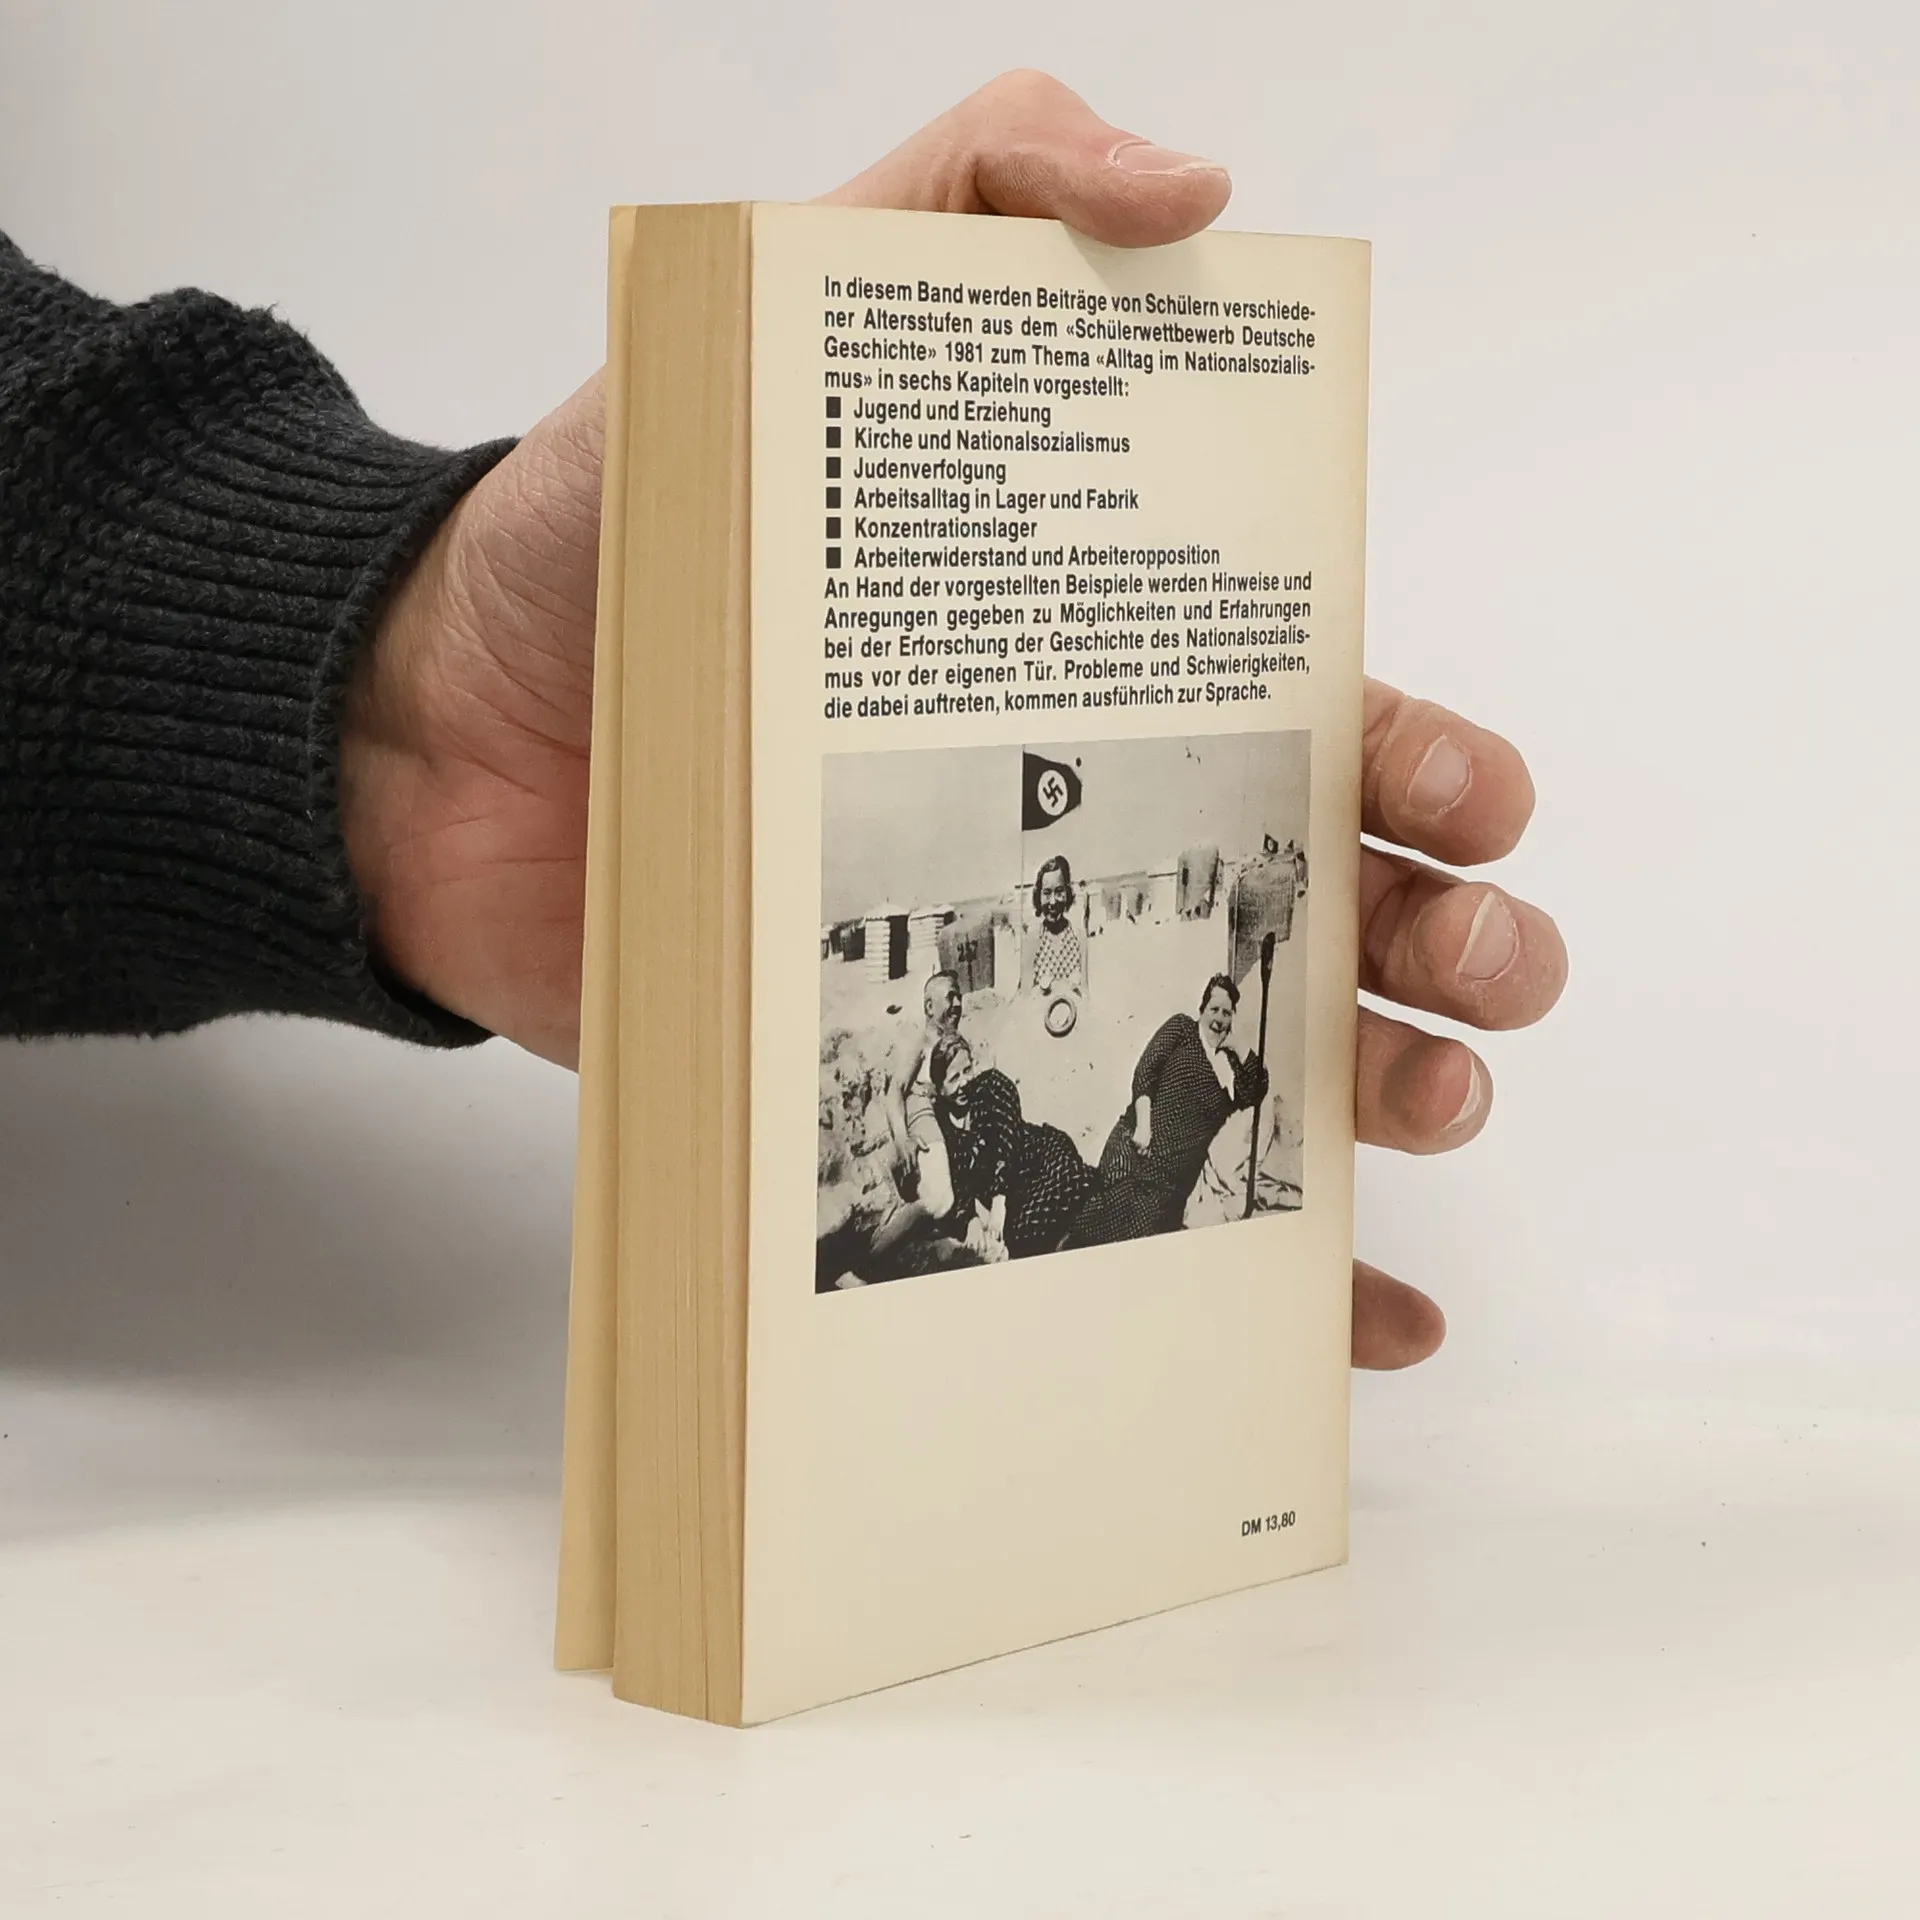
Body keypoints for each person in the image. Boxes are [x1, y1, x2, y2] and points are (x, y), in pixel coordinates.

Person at [0, 70, 1567, 1369]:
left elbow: (1196, 1114)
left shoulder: (1171, 1060)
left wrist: (409, 698)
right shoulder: (1073, 1057)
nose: (1223, 1012)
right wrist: (404, 710)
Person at [1064, 975, 1270, 1248]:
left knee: (1139, 1238)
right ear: (1202, 1010)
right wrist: (1143, 1125)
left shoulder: (1231, 1063)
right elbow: (1145, 1071)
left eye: (1227, 1012)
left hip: (1170, 1181)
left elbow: (1256, 1091)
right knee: (1102, 1216)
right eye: (1214, 1009)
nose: (1219, 1019)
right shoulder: (1182, 1029)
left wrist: (1238, 1046)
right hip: (1136, 1147)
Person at [929, 1034, 1095, 1261]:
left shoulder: (991, 1085)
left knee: (1073, 1179)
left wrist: (999, 1201)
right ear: (940, 1088)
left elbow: (1008, 1140)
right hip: (1016, 1191)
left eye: (967, 1070)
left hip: (1036, 1155)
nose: (964, 1082)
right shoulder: (942, 1124)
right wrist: (971, 1219)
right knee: (1021, 1233)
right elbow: (955, 1175)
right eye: (953, 1078)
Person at [1027, 855, 1084, 995]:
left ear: (1067, 893)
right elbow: (1025, 996)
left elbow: (1086, 993)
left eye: (1059, 892)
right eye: (1047, 893)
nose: (1052, 902)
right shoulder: (1032, 940)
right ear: (1038, 897)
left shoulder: (1079, 937)